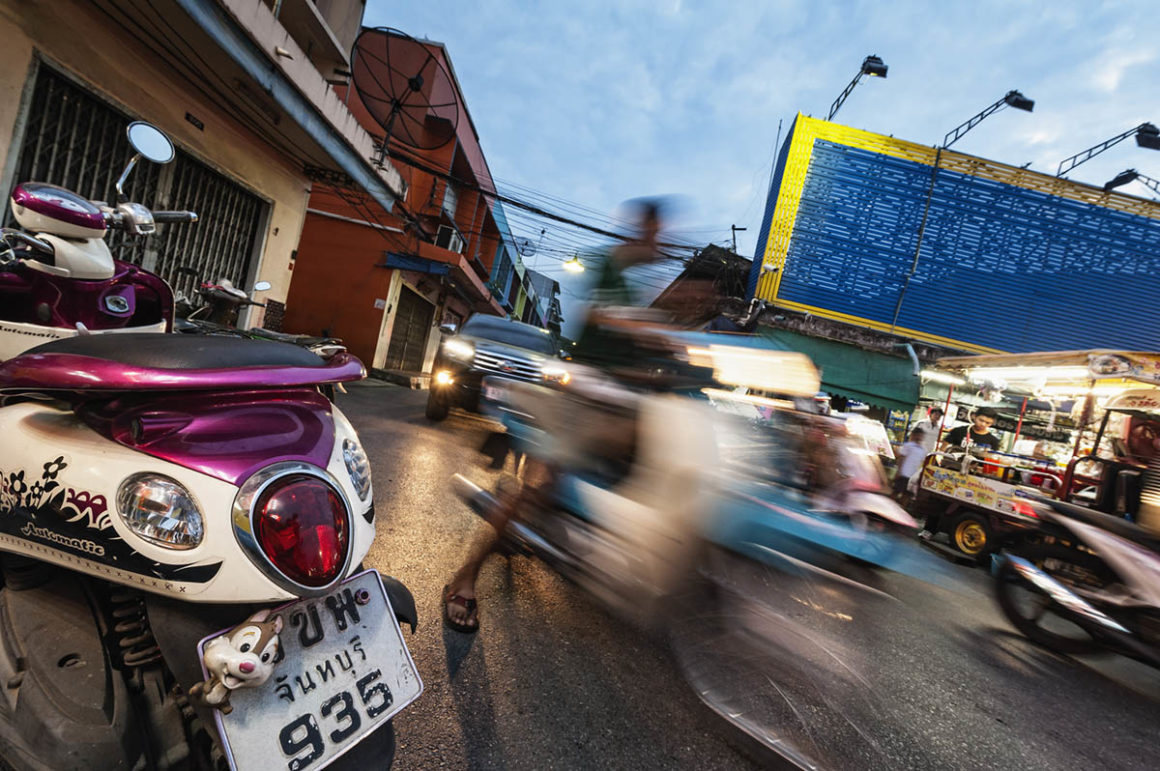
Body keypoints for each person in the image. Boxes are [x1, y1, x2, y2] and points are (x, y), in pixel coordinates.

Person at [442, 201, 668, 634]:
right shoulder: (611, 268)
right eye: (655, 234)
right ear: (640, 231)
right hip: (582, 401)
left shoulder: (639, 288)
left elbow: (637, 356)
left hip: (619, 407)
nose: (658, 244)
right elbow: (604, 319)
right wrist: (647, 331)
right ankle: (464, 577)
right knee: (539, 486)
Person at [892, 428, 926, 506]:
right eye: (917, 435)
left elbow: (921, 463)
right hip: (904, 474)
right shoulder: (908, 446)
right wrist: (898, 471)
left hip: (912, 477)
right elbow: (901, 458)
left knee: (906, 496)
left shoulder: (923, 449)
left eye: (921, 436)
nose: (919, 437)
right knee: (896, 492)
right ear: (913, 435)